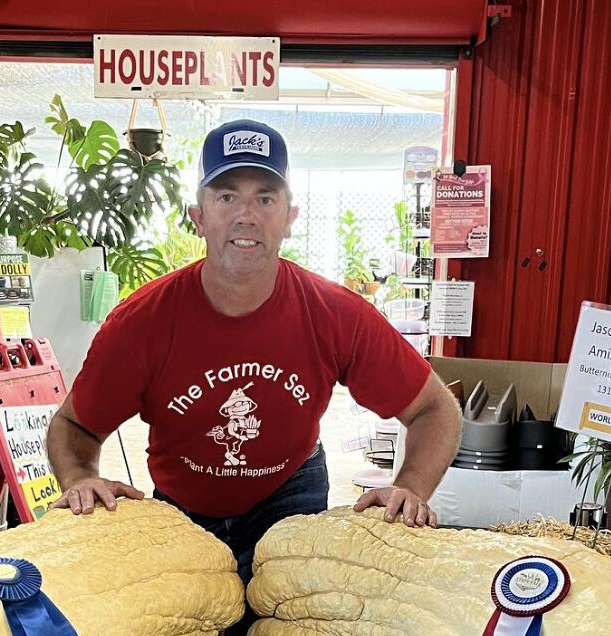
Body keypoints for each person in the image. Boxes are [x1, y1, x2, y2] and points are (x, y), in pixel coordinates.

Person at [47, 118, 462, 583]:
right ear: (198, 216)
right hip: (182, 511)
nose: (247, 214)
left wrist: (409, 487)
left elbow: (435, 408)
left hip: (290, 496)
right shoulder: (140, 322)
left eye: (265, 197)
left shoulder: (335, 312)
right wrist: (81, 477)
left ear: (290, 217)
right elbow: (75, 425)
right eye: (227, 196)